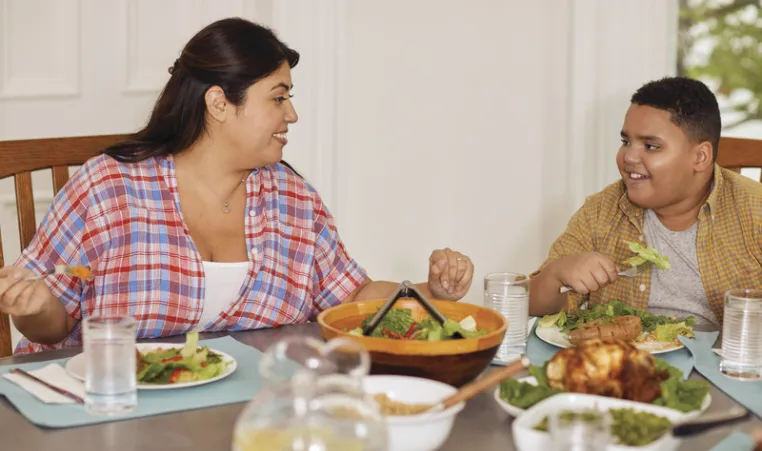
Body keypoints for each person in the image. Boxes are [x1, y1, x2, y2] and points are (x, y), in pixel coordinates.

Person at [0, 18, 474, 355]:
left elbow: (353, 297)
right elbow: (50, 322)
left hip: (244, 416)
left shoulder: (293, 199)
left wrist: (428, 295)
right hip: (112, 414)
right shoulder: (108, 188)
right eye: (278, 98)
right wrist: (34, 306)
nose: (292, 115)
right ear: (219, 103)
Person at [529, 76, 762, 328]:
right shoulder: (601, 211)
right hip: (622, 362)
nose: (628, 156)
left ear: (700, 157)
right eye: (626, 142)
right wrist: (557, 273)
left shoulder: (754, 208)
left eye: (651, 146)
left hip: (724, 363)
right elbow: (529, 303)